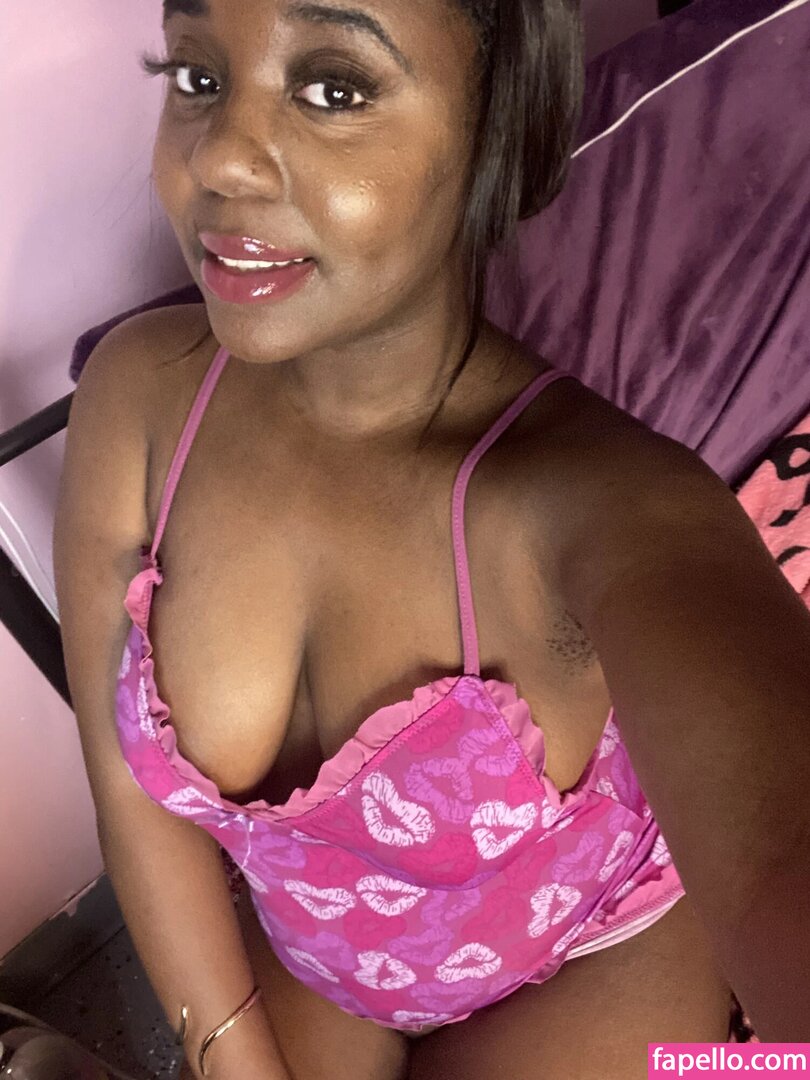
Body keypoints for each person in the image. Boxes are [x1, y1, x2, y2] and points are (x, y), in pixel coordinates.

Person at [53, 0, 810, 1077]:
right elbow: (127, 791)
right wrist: (232, 1062)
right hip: (322, 959)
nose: (218, 157)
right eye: (197, 77)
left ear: (495, 132)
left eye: (334, 87)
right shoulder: (137, 398)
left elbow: (781, 846)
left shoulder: (601, 502)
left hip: (594, 948)